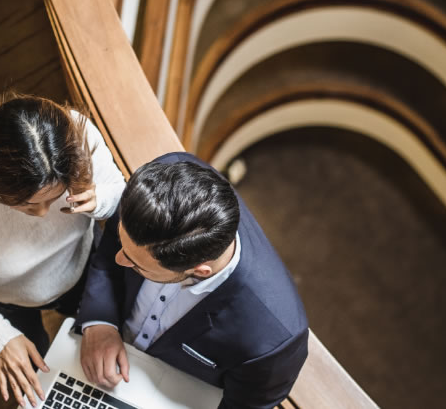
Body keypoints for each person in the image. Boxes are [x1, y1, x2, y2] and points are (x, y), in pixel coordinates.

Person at [0, 93, 125, 408]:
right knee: (36, 389)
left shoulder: (78, 137)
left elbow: (117, 190)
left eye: (54, 199)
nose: (45, 213)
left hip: (81, 265)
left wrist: (101, 201)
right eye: (27, 204)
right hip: (13, 301)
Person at [77, 152, 309, 409]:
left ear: (200, 270)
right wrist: (99, 322)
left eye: (137, 265)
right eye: (125, 247)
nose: (120, 260)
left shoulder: (273, 340)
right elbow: (110, 253)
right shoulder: (156, 186)